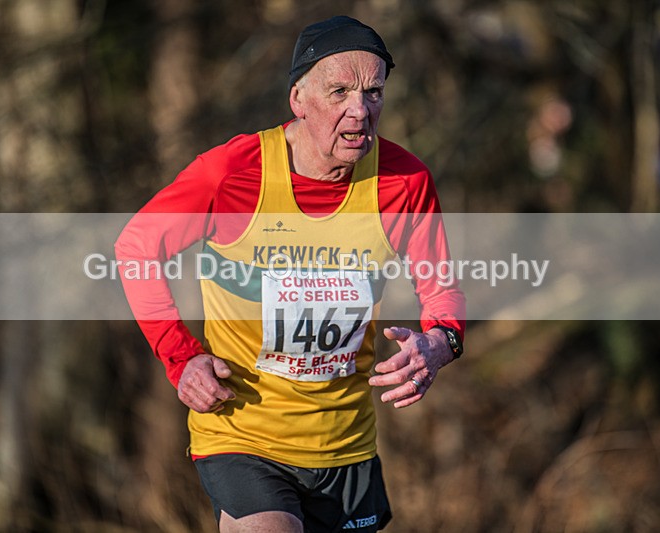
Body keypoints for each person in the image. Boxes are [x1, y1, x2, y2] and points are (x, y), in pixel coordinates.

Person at [115, 15, 465, 533]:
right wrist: (181, 358)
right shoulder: (233, 173)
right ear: (298, 99)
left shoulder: (404, 181)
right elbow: (137, 247)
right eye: (339, 91)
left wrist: (438, 346)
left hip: (345, 445)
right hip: (244, 437)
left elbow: (442, 291)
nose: (359, 110)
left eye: (374, 92)